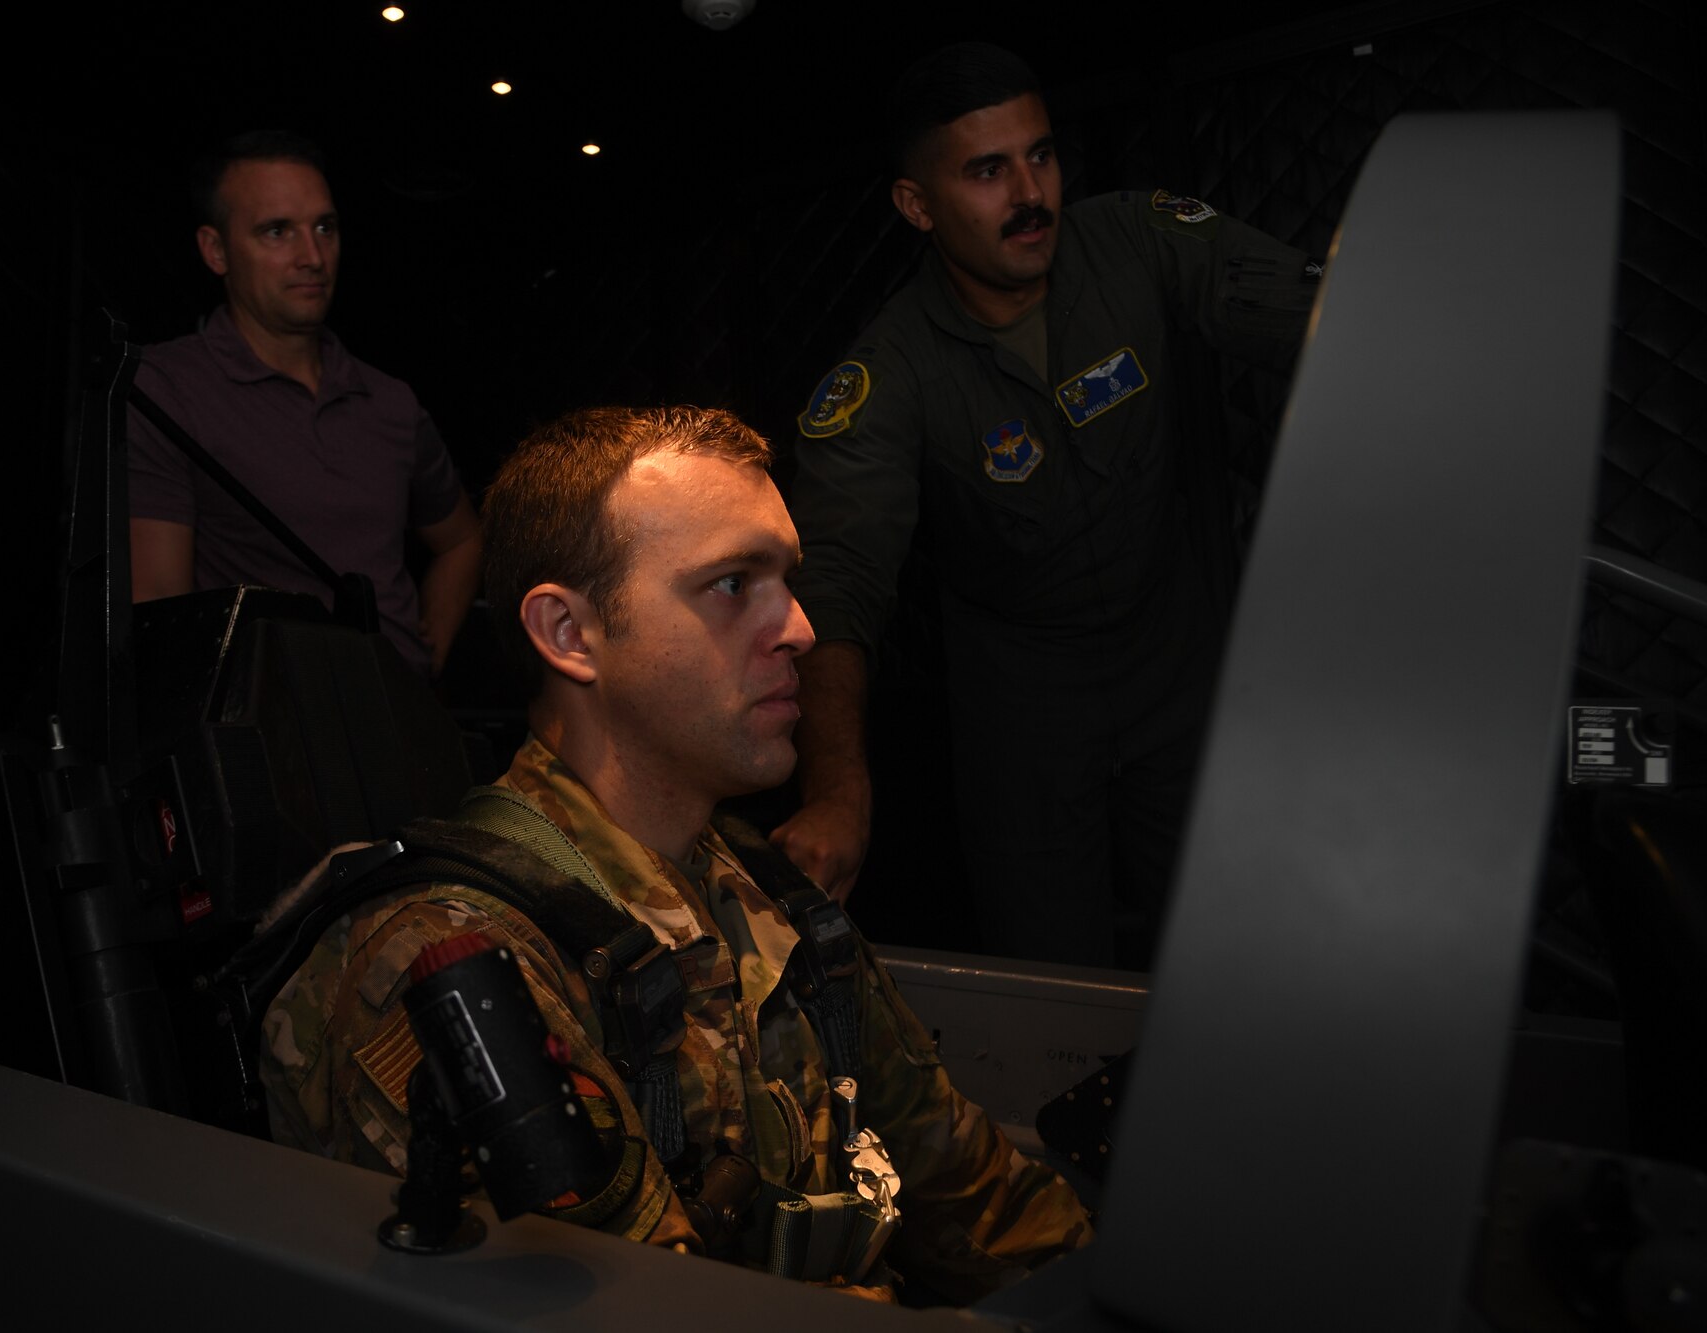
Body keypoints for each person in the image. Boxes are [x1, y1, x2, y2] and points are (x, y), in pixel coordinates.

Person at [259, 405, 1091, 1302]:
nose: (800, 629)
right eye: (734, 584)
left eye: (787, 579)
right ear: (570, 635)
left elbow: (987, 1206)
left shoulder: (769, 902)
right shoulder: (444, 962)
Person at [773, 44, 1321, 966]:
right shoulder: (888, 374)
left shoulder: (1139, 240)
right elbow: (836, 587)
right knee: (1048, 985)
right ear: (917, 205)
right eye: (988, 171)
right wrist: (839, 788)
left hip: (1178, 669)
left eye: (1041, 155)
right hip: (1022, 717)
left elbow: (1318, 316)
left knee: (1238, 956)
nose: (1030, 192)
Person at [127, 131, 481, 678]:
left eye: (324, 228)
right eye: (277, 232)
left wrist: (421, 661)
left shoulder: (388, 401)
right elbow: (157, 604)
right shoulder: (167, 389)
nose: (312, 256)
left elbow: (461, 538)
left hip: (400, 734)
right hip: (265, 736)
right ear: (215, 250)